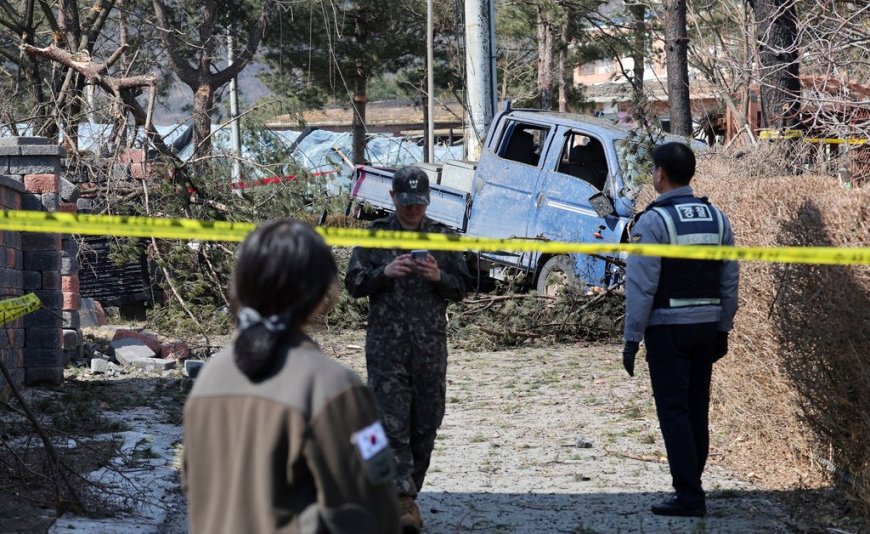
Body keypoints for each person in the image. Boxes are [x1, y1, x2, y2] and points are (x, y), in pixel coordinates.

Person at [183, 220, 400, 534]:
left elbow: (197, 492)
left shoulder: (208, 378)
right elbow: (375, 511)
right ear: (324, 293)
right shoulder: (335, 387)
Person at [345, 166, 471, 533]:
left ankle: (404, 492)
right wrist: (385, 272)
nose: (413, 209)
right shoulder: (377, 235)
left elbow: (463, 286)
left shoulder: (443, 237)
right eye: (406, 202)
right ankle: (401, 500)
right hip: (387, 347)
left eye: (419, 202)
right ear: (393, 198)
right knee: (391, 424)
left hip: (430, 348)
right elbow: (354, 283)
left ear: (427, 200)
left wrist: (439, 277)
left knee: (427, 423)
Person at [622, 142, 739, 518]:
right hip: (706, 328)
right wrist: (724, 326)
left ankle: (689, 495)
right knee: (695, 409)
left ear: (660, 173)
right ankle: (692, 484)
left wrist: (631, 337)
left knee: (673, 411)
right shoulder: (717, 217)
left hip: (668, 329)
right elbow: (729, 279)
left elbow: (642, 285)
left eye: (653, 169)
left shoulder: (653, 221)